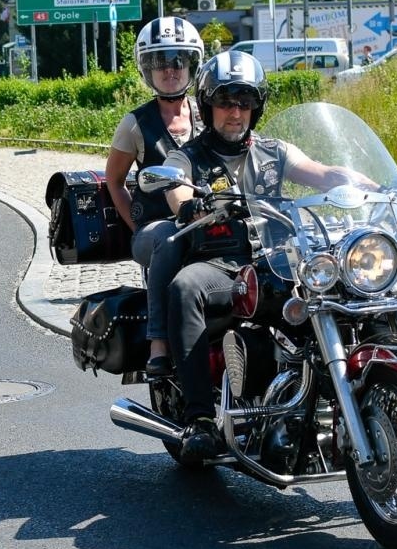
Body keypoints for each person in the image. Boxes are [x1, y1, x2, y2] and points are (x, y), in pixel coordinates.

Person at [159, 50, 372, 461]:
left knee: (345, 286)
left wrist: (381, 186)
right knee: (186, 287)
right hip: (221, 265)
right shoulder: (187, 156)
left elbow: (324, 173)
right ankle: (200, 419)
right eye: (225, 101)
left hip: (279, 261)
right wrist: (189, 204)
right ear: (208, 106)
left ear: (257, 108)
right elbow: (176, 187)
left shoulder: (275, 151)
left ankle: (347, 391)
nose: (235, 112)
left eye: (245, 102)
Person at [103, 17, 203, 375]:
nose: (170, 70)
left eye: (178, 60)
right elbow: (114, 180)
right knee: (167, 239)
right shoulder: (135, 123)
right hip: (158, 228)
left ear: (193, 63)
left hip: (205, 219)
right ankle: (158, 341)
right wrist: (137, 225)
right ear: (147, 69)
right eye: (159, 62)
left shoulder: (210, 113)